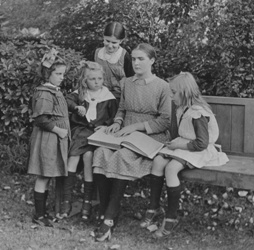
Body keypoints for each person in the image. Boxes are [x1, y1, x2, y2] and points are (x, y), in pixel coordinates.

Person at [91, 43, 172, 241]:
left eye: (141, 59)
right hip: (125, 133)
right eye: (134, 59)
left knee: (123, 156)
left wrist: (135, 127)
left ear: (152, 61)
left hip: (150, 136)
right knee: (100, 152)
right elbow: (122, 109)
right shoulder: (126, 82)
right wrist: (117, 123)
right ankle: (104, 209)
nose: (136, 62)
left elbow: (165, 120)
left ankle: (108, 218)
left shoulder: (162, 86)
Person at [140, 72, 229, 239]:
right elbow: (178, 132)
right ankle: (154, 207)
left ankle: (171, 217)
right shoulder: (180, 107)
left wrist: (179, 145)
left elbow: (202, 143)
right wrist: (172, 143)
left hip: (198, 149)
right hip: (183, 144)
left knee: (171, 168)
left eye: (173, 93)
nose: (171, 96)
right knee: (158, 161)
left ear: (185, 93)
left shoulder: (198, 112)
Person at [57, 61, 118, 220]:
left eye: (99, 78)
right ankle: (66, 200)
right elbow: (67, 101)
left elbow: (114, 118)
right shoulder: (80, 94)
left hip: (96, 134)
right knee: (73, 157)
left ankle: (87, 201)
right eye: (92, 79)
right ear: (85, 80)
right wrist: (77, 107)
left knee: (88, 157)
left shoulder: (108, 96)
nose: (97, 82)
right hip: (80, 131)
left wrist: (106, 126)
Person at [27, 48, 70, 227]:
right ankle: (39, 214)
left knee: (48, 175)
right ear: (48, 74)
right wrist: (59, 131)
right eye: (58, 74)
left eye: (63, 74)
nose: (62, 77)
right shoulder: (45, 92)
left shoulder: (54, 90)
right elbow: (41, 118)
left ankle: (42, 213)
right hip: (48, 139)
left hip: (53, 141)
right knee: (44, 176)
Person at [94, 21, 134, 103]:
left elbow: (132, 79)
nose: (110, 45)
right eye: (107, 41)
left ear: (121, 41)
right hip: (99, 93)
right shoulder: (97, 53)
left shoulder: (124, 56)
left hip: (119, 97)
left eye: (114, 42)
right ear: (103, 37)